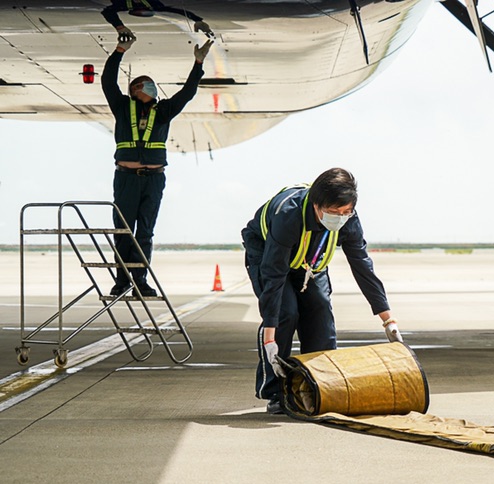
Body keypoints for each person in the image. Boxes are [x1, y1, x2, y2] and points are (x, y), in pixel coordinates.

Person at [241, 168, 403, 415]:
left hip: (310, 265)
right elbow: (274, 276)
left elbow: (361, 264)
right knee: (286, 312)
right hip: (268, 255)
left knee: (320, 317)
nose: (339, 217)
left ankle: (321, 385)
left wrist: (387, 318)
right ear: (316, 205)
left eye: (345, 212)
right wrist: (270, 336)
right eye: (333, 212)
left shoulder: (349, 219)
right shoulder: (289, 215)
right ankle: (274, 392)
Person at [102, 34, 213, 296]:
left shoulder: (163, 111)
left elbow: (187, 93)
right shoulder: (121, 107)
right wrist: (119, 51)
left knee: (146, 232)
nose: (152, 88)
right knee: (123, 231)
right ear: (134, 90)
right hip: (127, 178)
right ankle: (122, 281)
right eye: (146, 85)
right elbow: (107, 81)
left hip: (153, 180)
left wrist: (198, 64)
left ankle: (140, 281)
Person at [101, 0, 215, 41]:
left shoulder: (122, 4)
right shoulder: (154, 4)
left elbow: (108, 12)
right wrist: (196, 19)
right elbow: (175, 10)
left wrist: (120, 27)